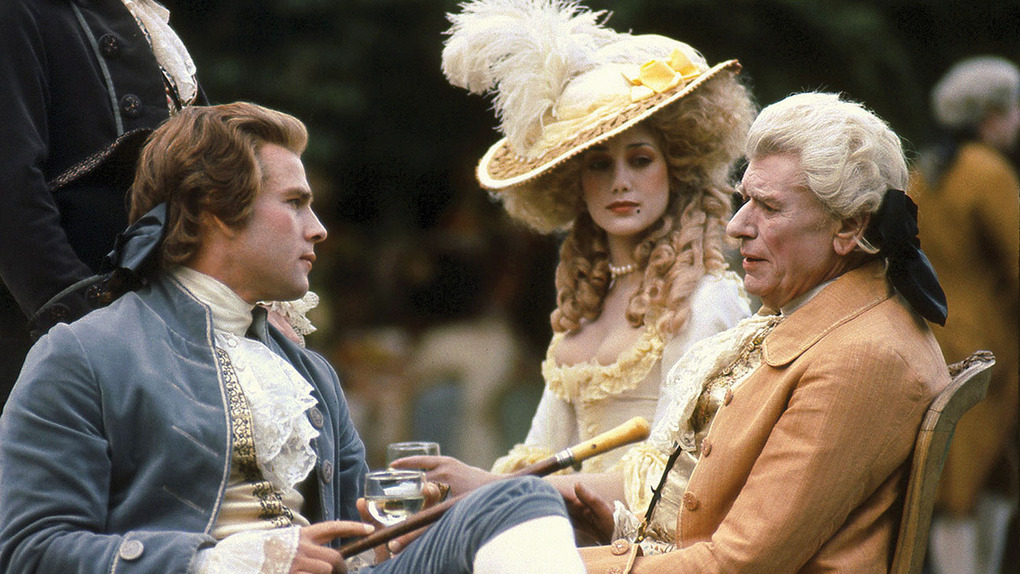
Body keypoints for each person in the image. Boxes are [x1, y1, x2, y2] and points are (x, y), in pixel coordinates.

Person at [0, 102, 585, 574]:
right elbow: (30, 550)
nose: (319, 229)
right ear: (213, 210)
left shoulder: (309, 373)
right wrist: (223, 562)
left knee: (519, 499)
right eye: (296, 204)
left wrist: (401, 535)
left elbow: (358, 543)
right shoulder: (82, 354)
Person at [560, 91, 954, 571]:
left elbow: (737, 565)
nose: (736, 226)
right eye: (744, 199)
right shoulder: (828, 320)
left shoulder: (859, 357)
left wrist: (549, 566)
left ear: (849, 226)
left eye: (768, 207)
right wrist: (620, 535)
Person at [420, 0, 752, 478]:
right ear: (575, 182)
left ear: (676, 168)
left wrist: (498, 491)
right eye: (599, 164)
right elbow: (539, 455)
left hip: (646, 525)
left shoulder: (704, 298)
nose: (620, 182)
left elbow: (675, 474)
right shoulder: (585, 306)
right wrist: (471, 489)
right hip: (565, 518)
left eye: (640, 160)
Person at [0, 0, 204, 403]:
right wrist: (89, 318)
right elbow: (11, 184)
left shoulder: (144, 22)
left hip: (167, 326)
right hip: (60, 335)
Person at [908, 56, 1019, 574]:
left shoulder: (924, 171)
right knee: (970, 489)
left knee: (958, 479)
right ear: (991, 116)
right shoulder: (988, 171)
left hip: (937, 339)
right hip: (992, 350)